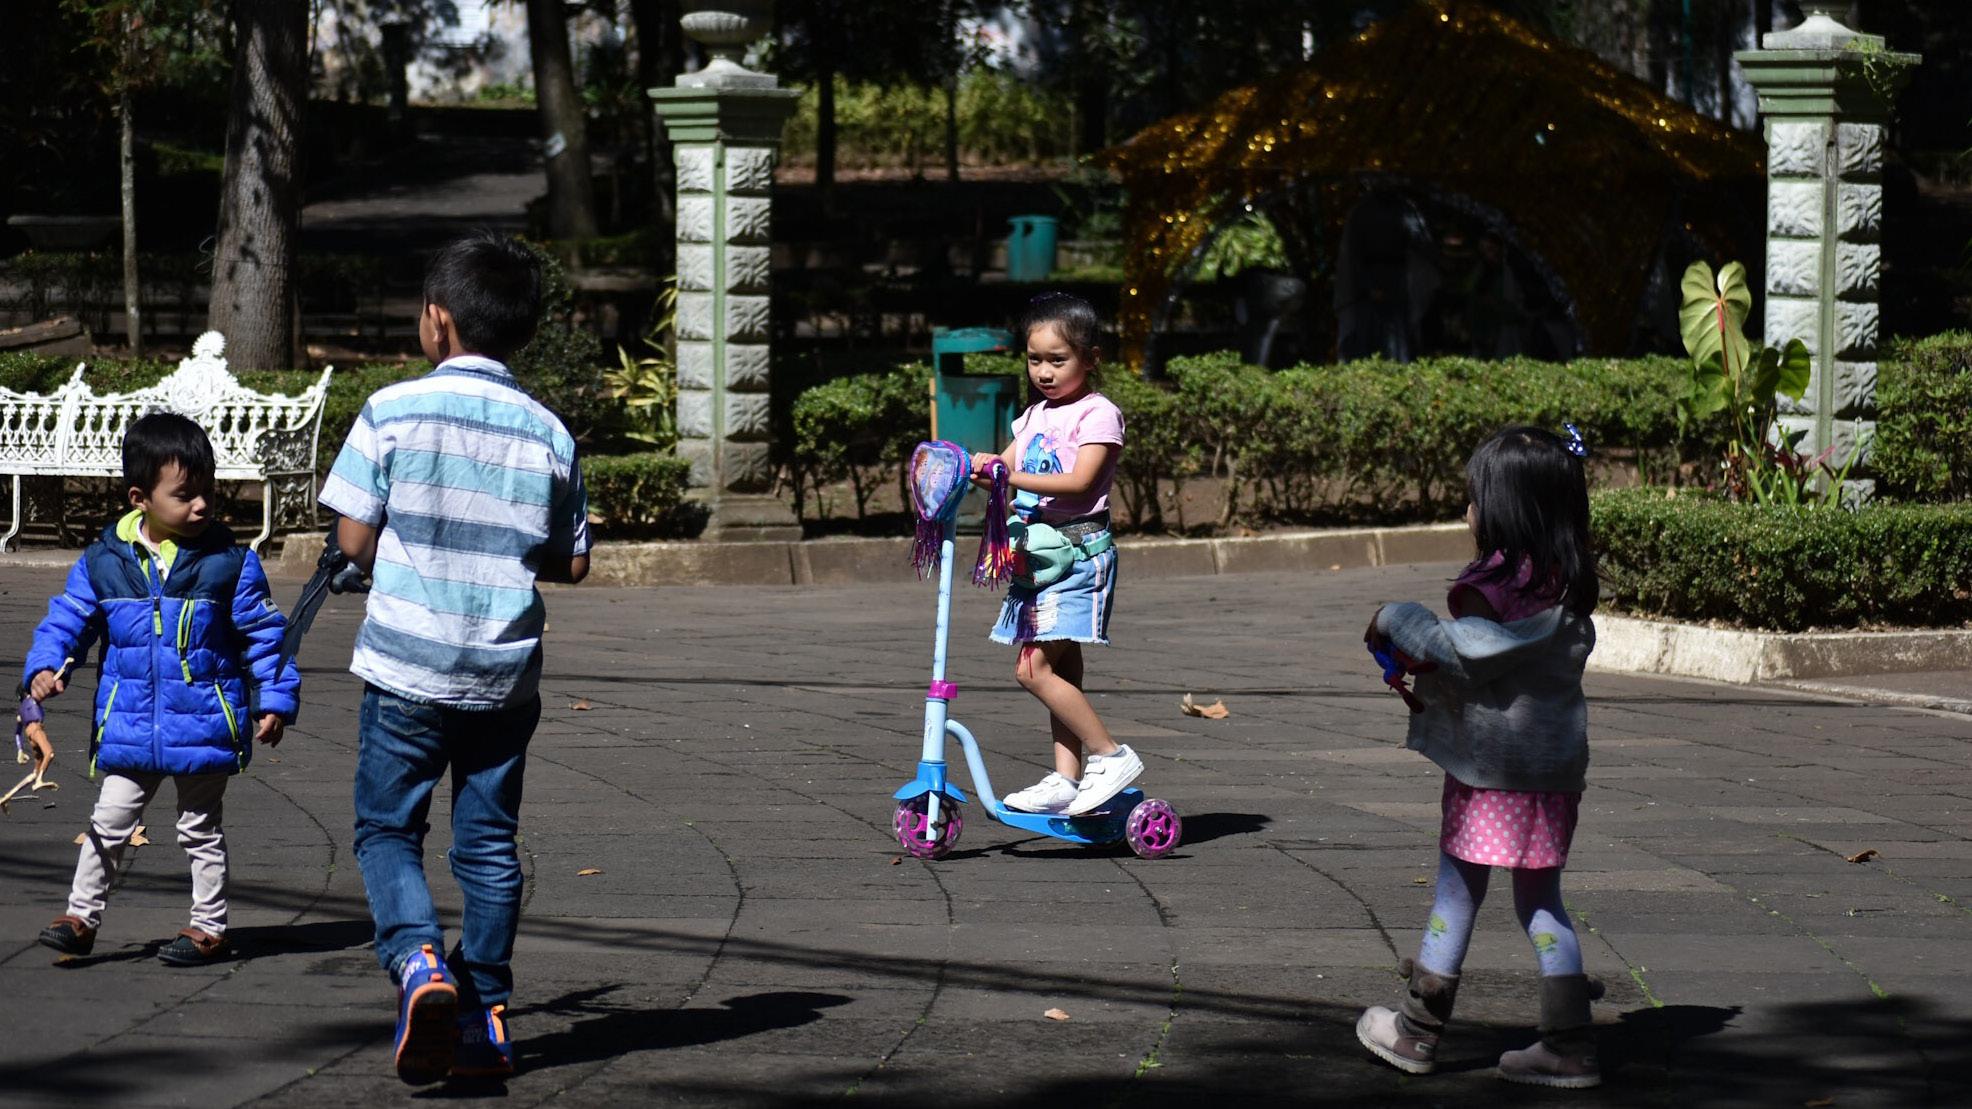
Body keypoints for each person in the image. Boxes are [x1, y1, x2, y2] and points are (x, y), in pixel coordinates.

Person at [319, 231, 591, 1085]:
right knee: (490, 845)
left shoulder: (391, 410)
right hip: (504, 676)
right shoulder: (550, 432)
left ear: (437, 320)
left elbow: (352, 538)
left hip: (406, 666)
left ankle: (417, 961)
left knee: (387, 828)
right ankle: (486, 1013)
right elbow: (572, 560)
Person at [1356, 424, 1603, 1089]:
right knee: (1543, 904)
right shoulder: (1566, 587)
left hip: (1492, 779)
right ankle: (1570, 1042)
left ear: (1505, 511)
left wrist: (1394, 617)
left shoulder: (1501, 594)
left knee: (1456, 893)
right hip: (1554, 779)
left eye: (1475, 498)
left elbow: (1459, 650)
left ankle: (1417, 1029)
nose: (1469, 509)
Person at [28, 412, 298, 967]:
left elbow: (265, 636)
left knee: (200, 829)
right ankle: (81, 918)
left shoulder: (230, 564)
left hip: (205, 721)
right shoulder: (105, 562)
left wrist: (272, 699)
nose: (201, 506)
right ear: (140, 499)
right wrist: (47, 666)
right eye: (184, 495)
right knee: (109, 822)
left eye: (208, 493)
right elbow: (68, 620)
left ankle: (209, 927)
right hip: (129, 722)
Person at [969, 292, 1139, 818]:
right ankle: (1067, 778)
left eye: (1057, 360)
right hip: (1039, 559)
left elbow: (1079, 481)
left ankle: (1110, 756)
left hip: (1078, 557)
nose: (1044, 371)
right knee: (1062, 671)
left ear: (1090, 358)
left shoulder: (1098, 414)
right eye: (1034, 359)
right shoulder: (1034, 417)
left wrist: (1008, 475)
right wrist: (973, 469)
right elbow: (1002, 472)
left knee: (1032, 670)